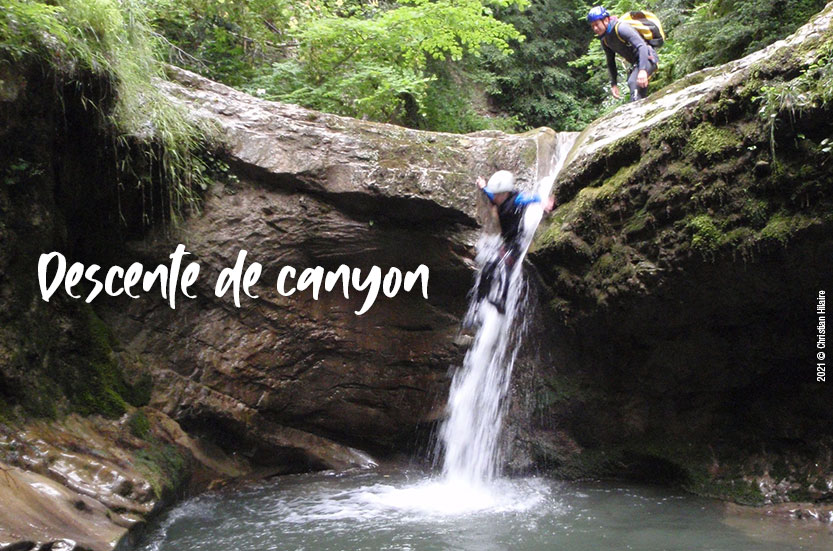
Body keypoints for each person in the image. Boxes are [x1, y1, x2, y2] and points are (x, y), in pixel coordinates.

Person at [473, 170, 555, 313]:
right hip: (506, 241)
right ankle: (479, 301)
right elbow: (490, 194)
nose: (495, 197)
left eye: (498, 195)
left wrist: (543, 202)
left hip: (517, 242)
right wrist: (483, 186)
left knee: (505, 268)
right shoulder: (499, 197)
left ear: (505, 193)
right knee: (488, 268)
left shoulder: (516, 200)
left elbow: (529, 199)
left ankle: (503, 301)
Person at [588, 6, 658, 102]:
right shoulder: (605, 40)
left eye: (597, 24)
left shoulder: (621, 28)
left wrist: (642, 70)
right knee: (637, 90)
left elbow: (642, 46)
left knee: (633, 82)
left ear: (606, 20)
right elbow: (610, 61)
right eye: (592, 26)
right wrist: (614, 84)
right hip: (636, 63)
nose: (595, 28)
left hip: (647, 58)